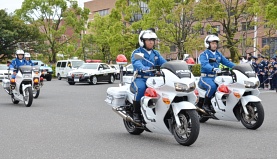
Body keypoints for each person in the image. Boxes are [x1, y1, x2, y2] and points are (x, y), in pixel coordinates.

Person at [131, 29, 167, 122]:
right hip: (140, 78)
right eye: (148, 40)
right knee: (141, 89)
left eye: (152, 40)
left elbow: (164, 63)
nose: (151, 42)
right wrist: (144, 68)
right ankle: (136, 113)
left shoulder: (156, 53)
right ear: (142, 41)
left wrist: (169, 67)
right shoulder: (137, 52)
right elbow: (136, 62)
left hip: (154, 79)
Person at [199, 34, 235, 112]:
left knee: (228, 86)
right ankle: (205, 104)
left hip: (216, 77)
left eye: (215, 43)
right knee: (212, 87)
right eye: (212, 43)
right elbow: (204, 64)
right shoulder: (204, 54)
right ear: (208, 44)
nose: (215, 45)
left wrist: (237, 67)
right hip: (206, 77)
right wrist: (213, 69)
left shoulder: (219, 54)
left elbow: (227, 62)